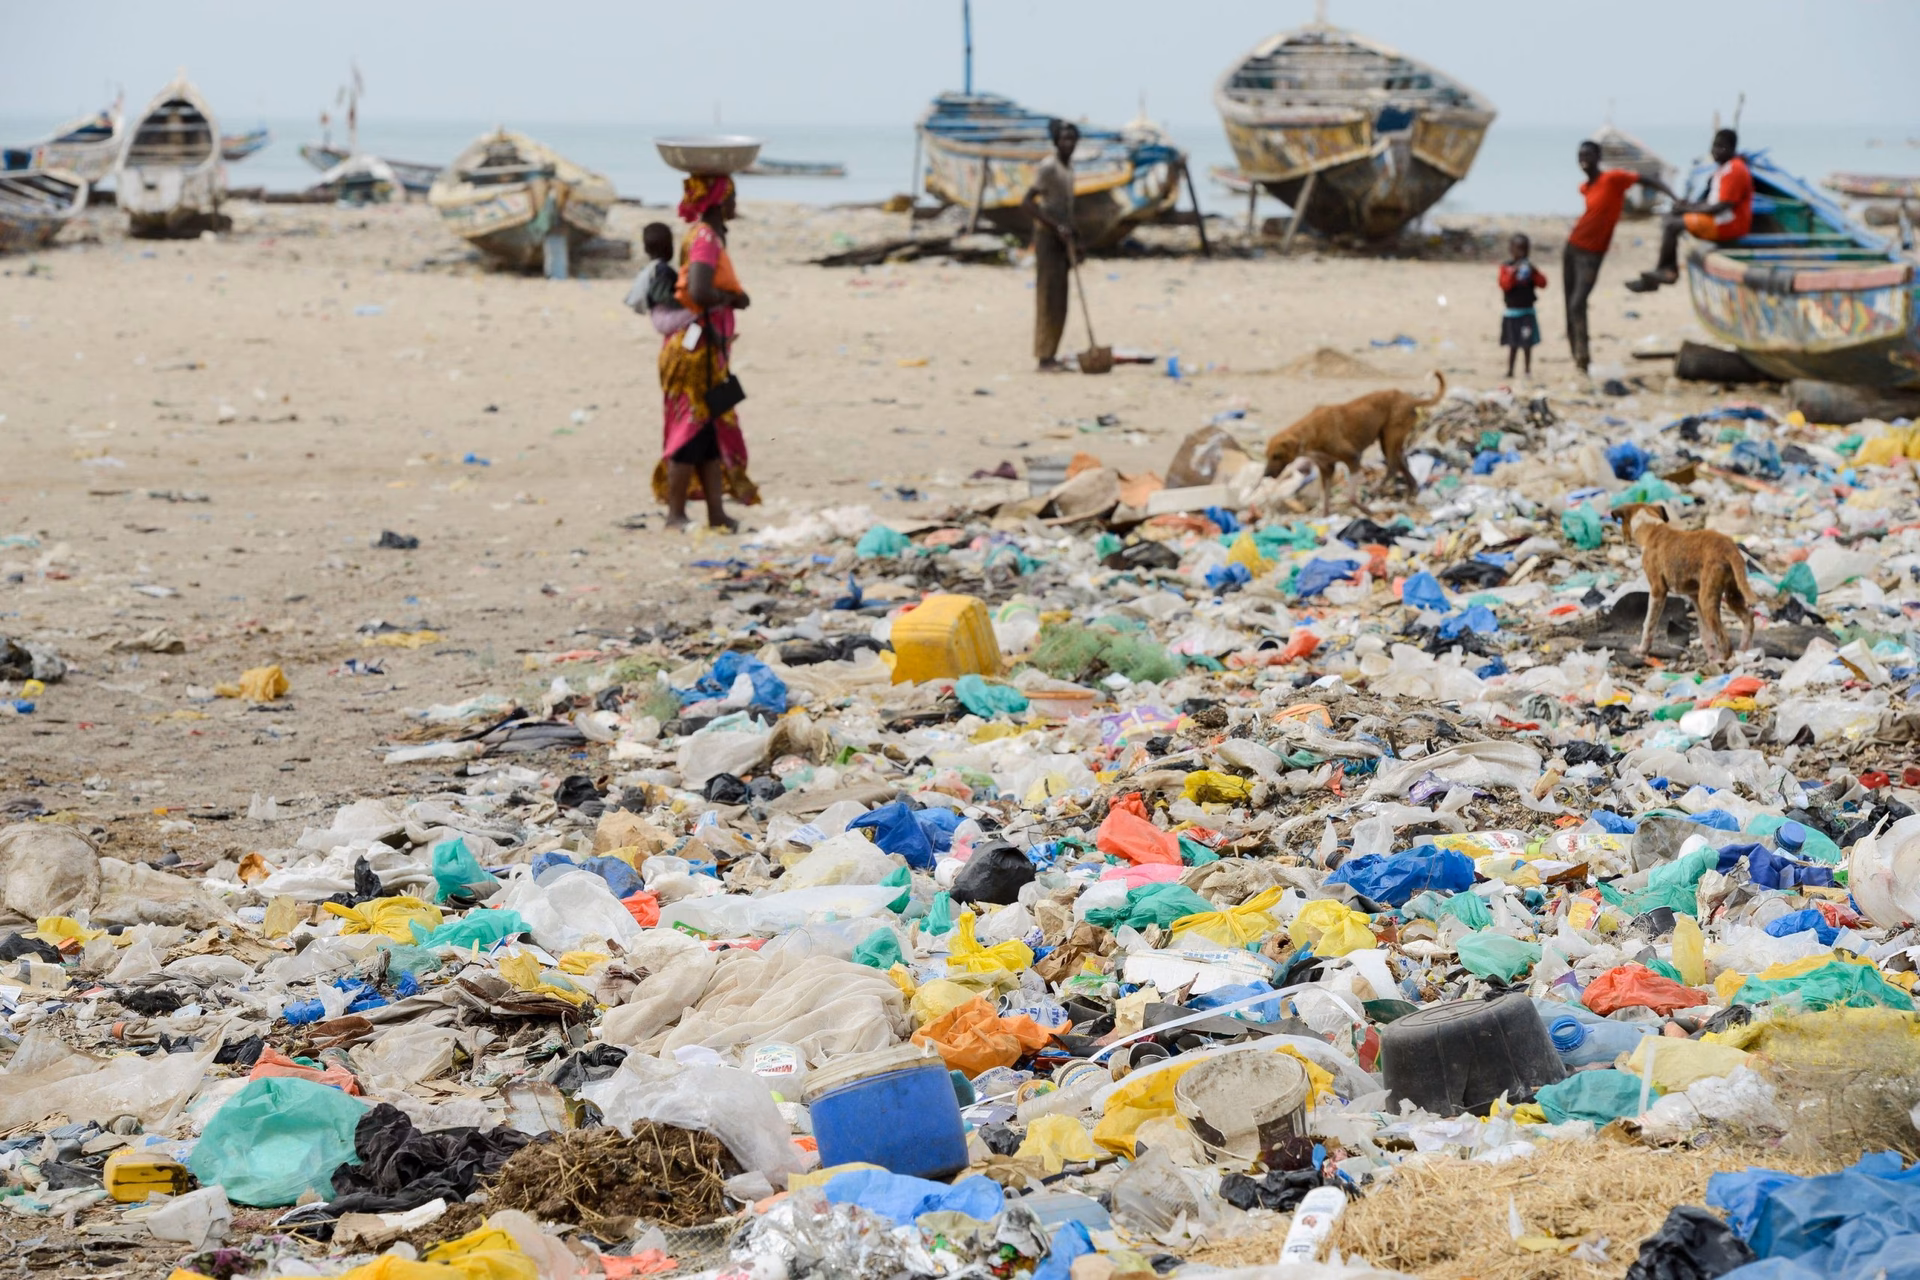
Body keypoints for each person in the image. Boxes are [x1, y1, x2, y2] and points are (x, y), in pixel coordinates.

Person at [653, 174, 760, 531]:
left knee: (708, 431)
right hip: (694, 353)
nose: (735, 205)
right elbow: (699, 289)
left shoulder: (709, 236)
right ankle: (675, 514)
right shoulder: (704, 239)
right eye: (731, 198)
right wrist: (734, 299)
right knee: (691, 431)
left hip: (707, 350)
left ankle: (716, 512)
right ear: (718, 201)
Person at [1565, 139, 1668, 373]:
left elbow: (1649, 180)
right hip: (1572, 248)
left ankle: (1583, 357)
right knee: (1569, 302)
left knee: (1577, 302)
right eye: (1581, 155)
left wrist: (1675, 198)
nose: (1584, 159)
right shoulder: (1585, 187)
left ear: (1598, 157)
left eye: (1589, 155)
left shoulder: (1613, 179)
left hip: (1592, 253)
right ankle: (1577, 355)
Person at [1627, 128, 1752, 293]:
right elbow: (1710, 202)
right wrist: (1688, 207)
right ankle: (1662, 271)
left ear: (1732, 148)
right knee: (1670, 217)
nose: (1715, 151)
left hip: (1729, 225)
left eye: (1720, 147)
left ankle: (1668, 271)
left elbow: (1721, 206)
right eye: (1714, 146)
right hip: (1720, 220)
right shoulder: (1723, 169)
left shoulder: (1734, 170)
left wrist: (1689, 209)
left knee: (1672, 225)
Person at [1020, 119, 1078, 371]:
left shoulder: (1069, 168)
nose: (1068, 143)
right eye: (1064, 139)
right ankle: (1043, 357)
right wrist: (1056, 227)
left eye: (1072, 139)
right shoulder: (1048, 167)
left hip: (1063, 239)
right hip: (1047, 237)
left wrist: (1076, 238)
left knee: (1060, 299)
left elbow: (1067, 208)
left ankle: (1052, 353)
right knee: (1047, 297)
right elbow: (1028, 202)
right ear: (1056, 141)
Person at [624, 222, 693, 336]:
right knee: (700, 311)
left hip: (659, 317)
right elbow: (662, 296)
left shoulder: (652, 268)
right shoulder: (661, 270)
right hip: (664, 317)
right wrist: (685, 302)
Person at [1498, 233, 1546, 379]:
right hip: (1511, 313)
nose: (1522, 253)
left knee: (1527, 344)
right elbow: (1504, 285)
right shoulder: (1506, 267)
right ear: (1511, 249)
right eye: (1518, 249)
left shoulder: (1530, 269)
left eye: (1524, 249)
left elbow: (1543, 283)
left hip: (1527, 313)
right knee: (1512, 344)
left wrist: (1534, 271)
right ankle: (1510, 370)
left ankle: (1527, 370)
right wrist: (1513, 273)